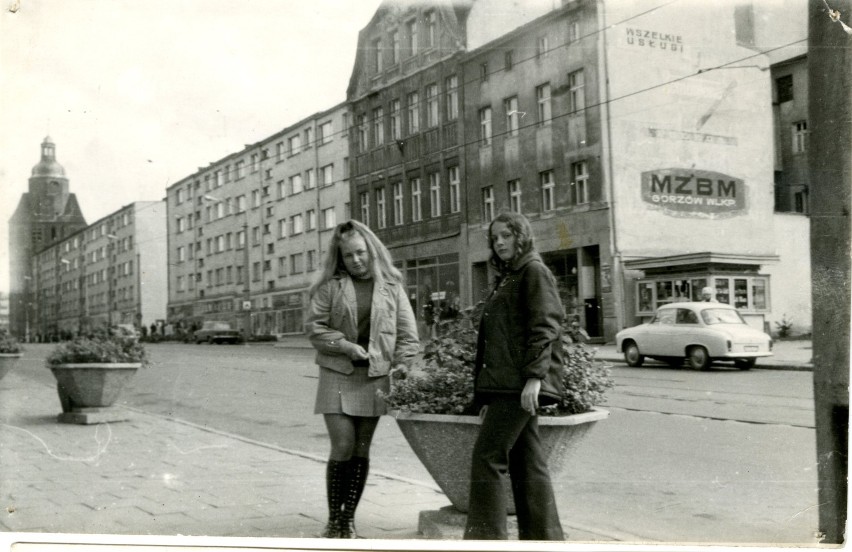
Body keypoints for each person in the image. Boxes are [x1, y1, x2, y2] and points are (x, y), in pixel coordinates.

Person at [305, 220, 419, 539]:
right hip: (337, 373)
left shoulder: (392, 287)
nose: (356, 260)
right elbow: (315, 329)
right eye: (348, 256)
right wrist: (344, 346)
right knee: (342, 444)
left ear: (371, 249)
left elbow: (409, 337)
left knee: (361, 449)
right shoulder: (330, 287)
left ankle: (348, 521)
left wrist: (402, 364)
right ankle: (333, 521)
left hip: (374, 377)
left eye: (360, 253)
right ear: (339, 259)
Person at [464, 212, 566, 541]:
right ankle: (544, 540)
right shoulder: (512, 276)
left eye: (507, 235)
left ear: (522, 236)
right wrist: (485, 396)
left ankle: (486, 541)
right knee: (527, 462)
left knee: (487, 458)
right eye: (495, 238)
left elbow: (546, 325)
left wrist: (535, 378)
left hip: (518, 385)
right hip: (508, 385)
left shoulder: (533, 271)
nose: (500, 242)